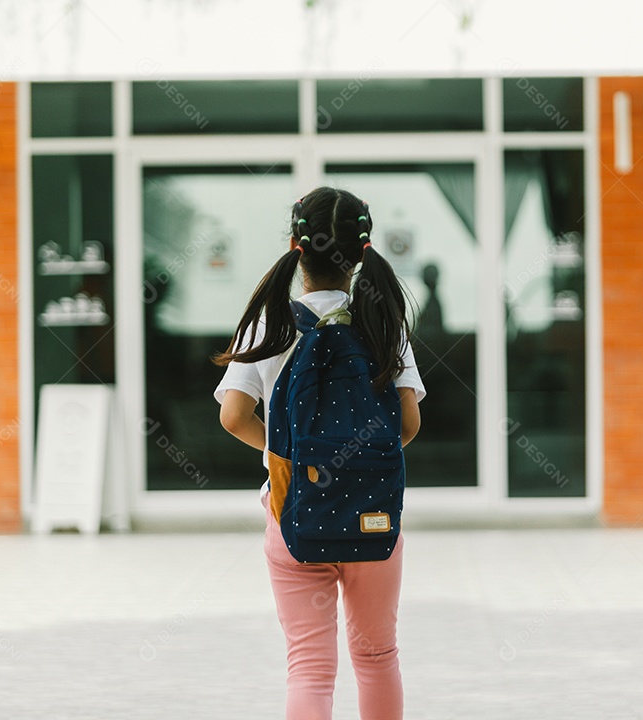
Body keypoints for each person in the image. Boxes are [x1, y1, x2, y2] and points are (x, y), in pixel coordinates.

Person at [212, 187, 425, 720]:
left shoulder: (269, 323)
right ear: (362, 250)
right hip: (373, 515)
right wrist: (356, 456)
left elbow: (233, 415)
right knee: (377, 656)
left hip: (292, 511)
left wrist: (293, 452)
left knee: (308, 666)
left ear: (296, 246)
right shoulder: (383, 323)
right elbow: (410, 424)